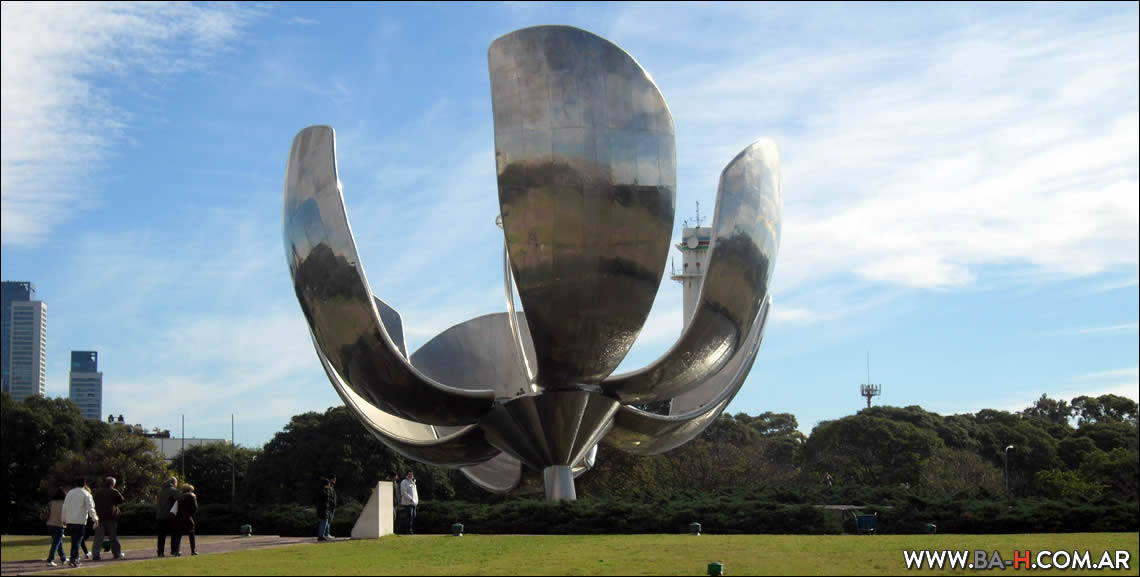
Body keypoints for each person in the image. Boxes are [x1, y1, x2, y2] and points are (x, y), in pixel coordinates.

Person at [62, 478, 98, 568]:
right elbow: (90, 507)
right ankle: (74, 559)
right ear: (84, 484)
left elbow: (64, 506)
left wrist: (63, 519)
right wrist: (95, 518)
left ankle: (73, 558)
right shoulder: (86, 494)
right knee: (77, 541)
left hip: (70, 521)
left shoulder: (70, 493)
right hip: (80, 521)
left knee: (74, 541)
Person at [92, 476, 125, 560]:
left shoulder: (98, 492)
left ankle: (96, 554)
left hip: (99, 517)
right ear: (113, 484)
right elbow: (121, 500)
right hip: (111, 516)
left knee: (98, 537)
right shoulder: (114, 491)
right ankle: (116, 554)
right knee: (113, 537)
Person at [171, 483, 199, 557]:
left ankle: (177, 551)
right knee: (191, 534)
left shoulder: (179, 497)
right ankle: (193, 551)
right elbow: (195, 508)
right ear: (190, 490)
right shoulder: (192, 497)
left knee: (178, 535)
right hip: (188, 518)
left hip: (178, 518)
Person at [155, 477, 180, 557]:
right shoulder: (173, 491)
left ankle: (160, 552)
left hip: (160, 515)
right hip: (170, 515)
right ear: (174, 482)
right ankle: (174, 550)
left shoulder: (160, 491)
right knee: (175, 533)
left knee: (161, 535)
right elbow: (179, 500)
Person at [45, 487, 68, 567]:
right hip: (59, 525)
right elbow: (65, 515)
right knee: (56, 543)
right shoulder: (65, 504)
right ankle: (50, 560)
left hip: (50, 524)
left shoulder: (51, 502)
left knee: (58, 542)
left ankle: (63, 558)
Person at [399, 471, 418, 535]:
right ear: (407, 474)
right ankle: (409, 531)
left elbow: (414, 493)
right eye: (409, 474)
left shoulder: (413, 482)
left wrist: (416, 500)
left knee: (413, 517)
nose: (411, 475)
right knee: (409, 518)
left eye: (412, 474)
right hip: (408, 503)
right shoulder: (404, 482)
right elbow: (403, 492)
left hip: (413, 503)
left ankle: (410, 530)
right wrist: (410, 499)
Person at [324, 474, 337, 539]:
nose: (335, 480)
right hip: (330, 507)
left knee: (329, 521)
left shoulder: (332, 486)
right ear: (331, 479)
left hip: (332, 507)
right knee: (328, 521)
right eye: (334, 479)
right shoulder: (329, 487)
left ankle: (327, 534)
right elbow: (329, 497)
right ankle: (327, 534)